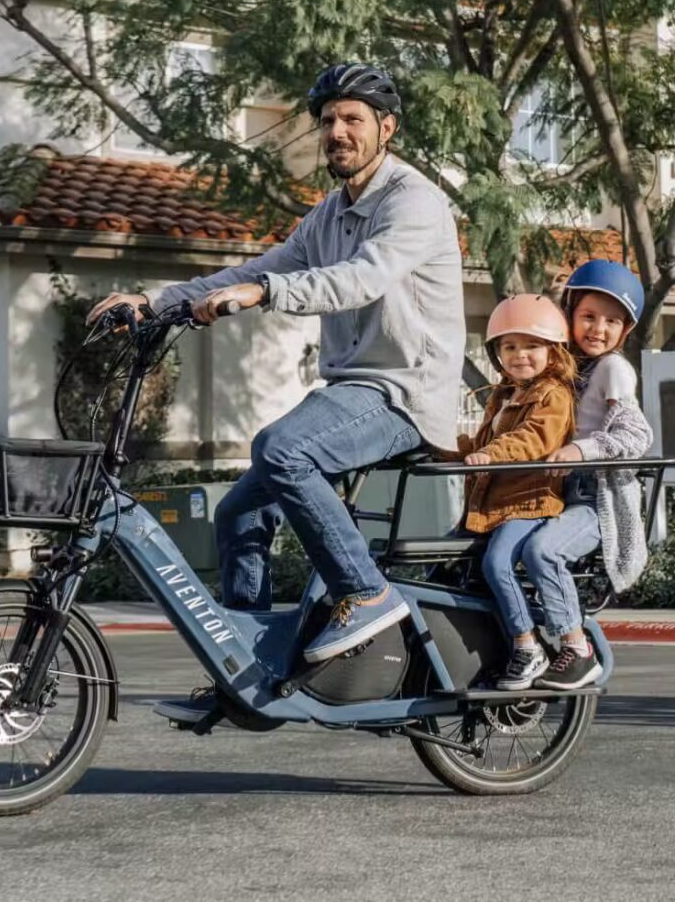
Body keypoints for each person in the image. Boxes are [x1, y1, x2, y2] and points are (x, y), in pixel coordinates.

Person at [88, 62, 465, 701]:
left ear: (387, 128)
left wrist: (263, 293)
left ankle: (364, 593)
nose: (337, 133)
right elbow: (258, 267)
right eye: (327, 122)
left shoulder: (413, 202)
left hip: (405, 394)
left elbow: (360, 279)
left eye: (353, 120)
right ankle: (247, 661)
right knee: (238, 512)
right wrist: (157, 302)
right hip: (352, 394)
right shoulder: (327, 215)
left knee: (281, 447)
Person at [521, 260, 653, 690]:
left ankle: (577, 649)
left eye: (613, 321)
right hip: (555, 492)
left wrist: (582, 448)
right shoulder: (563, 368)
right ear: (570, 315)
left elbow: (636, 434)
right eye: (589, 317)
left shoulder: (613, 368)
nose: (599, 328)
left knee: (542, 551)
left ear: (626, 331)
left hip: (596, 500)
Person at [450, 295, 577, 691]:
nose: (520, 355)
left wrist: (490, 454)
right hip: (490, 506)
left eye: (532, 345)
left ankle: (527, 644)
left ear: (553, 351)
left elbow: (534, 439)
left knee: (496, 563)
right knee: (443, 565)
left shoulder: (553, 394)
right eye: (510, 346)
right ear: (497, 353)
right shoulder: (501, 395)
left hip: (529, 503)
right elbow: (479, 444)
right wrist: (443, 447)